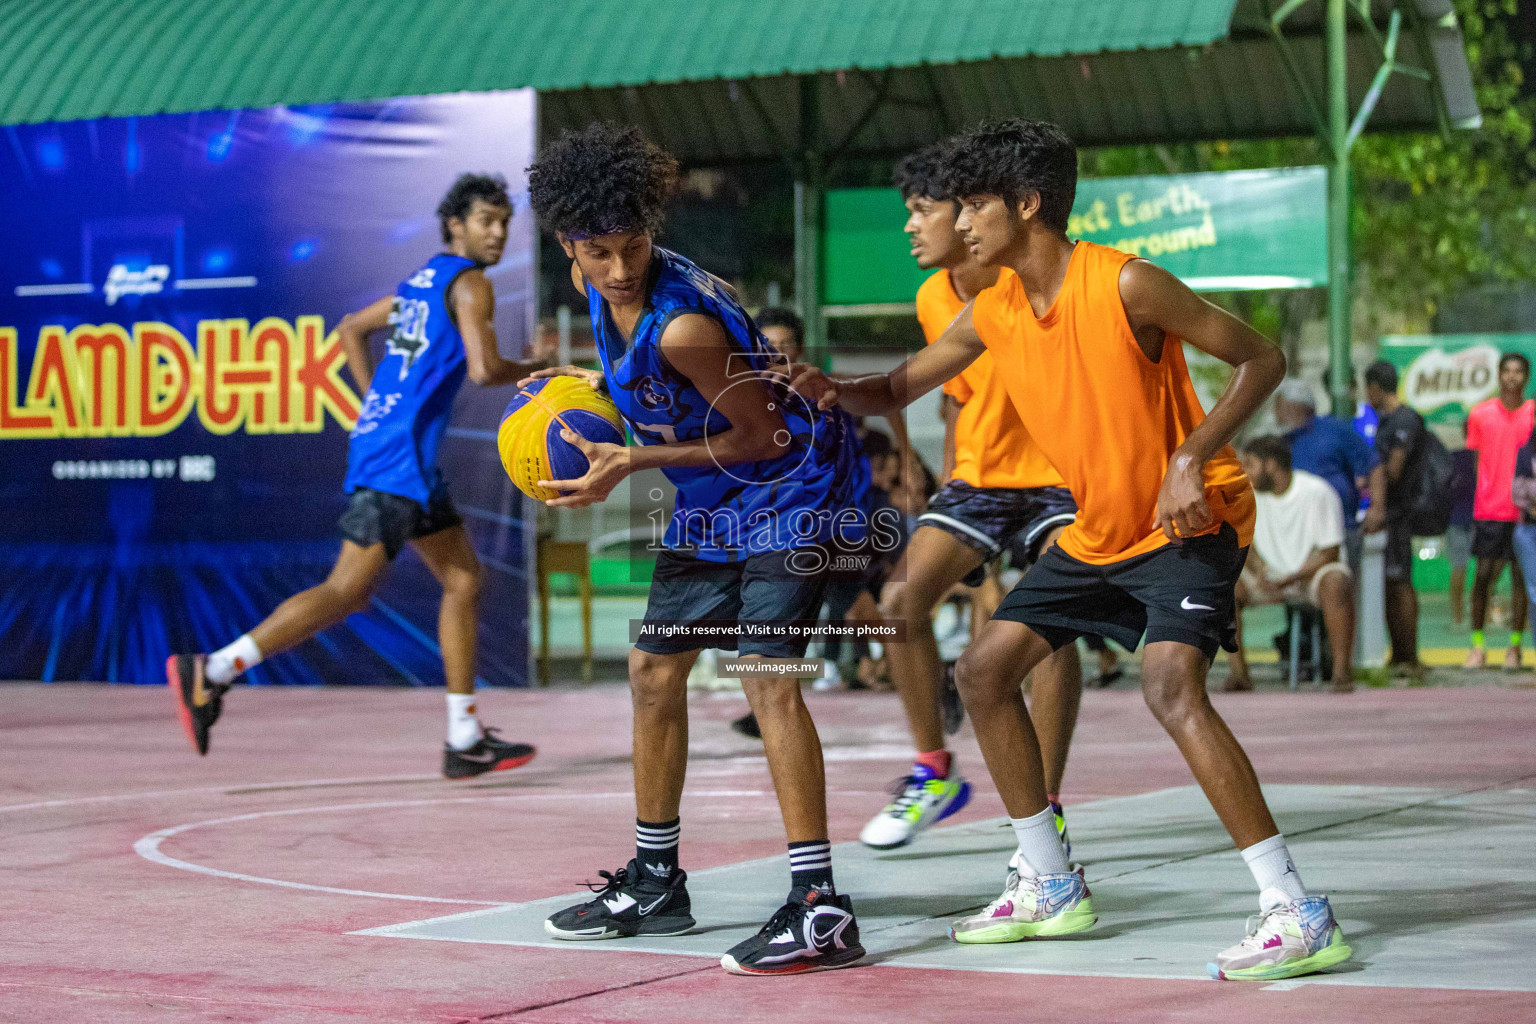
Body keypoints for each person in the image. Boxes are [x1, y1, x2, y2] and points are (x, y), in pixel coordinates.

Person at [792, 118, 1351, 981]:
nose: (962, 221)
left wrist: (1192, 456)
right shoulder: (994, 310)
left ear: (1027, 203)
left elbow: (1262, 358)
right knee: (982, 672)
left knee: (1171, 686)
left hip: (1188, 525)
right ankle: (1048, 881)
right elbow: (902, 384)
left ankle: (1296, 908)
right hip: (1098, 534)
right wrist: (832, 390)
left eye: (976, 204)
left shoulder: (1127, 284)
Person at [525, 124, 871, 976]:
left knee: (770, 684)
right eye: (597, 251)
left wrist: (631, 461)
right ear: (568, 245)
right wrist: (584, 392)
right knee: (651, 673)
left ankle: (820, 906)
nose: (617, 267)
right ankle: (653, 881)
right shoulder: (596, 283)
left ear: (651, 226)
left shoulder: (682, 323)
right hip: (713, 507)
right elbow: (657, 392)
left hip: (788, 493)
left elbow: (759, 435)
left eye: (632, 245)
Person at [167, 174, 541, 778]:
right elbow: (484, 369)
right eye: (486, 220)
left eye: (503, 221)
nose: (498, 232)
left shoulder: (420, 283)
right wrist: (545, 365)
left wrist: (375, 404)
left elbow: (348, 328)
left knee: (464, 579)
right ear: (456, 225)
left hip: (390, 448)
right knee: (347, 591)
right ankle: (211, 670)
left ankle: (464, 735)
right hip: (399, 459)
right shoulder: (470, 283)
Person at [858, 142, 1083, 854]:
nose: (910, 226)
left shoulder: (1035, 273)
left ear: (966, 214)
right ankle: (933, 771)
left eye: (921, 211)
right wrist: (944, 477)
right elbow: (957, 395)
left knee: (1051, 626)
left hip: (1059, 472)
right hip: (980, 479)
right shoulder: (932, 297)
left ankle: (1042, 804)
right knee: (898, 605)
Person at [1229, 436, 1356, 693]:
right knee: (1223, 590)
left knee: (1337, 582)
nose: (1245, 471)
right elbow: (1245, 544)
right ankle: (1240, 675)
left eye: (1250, 464)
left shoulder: (1316, 492)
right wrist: (1259, 572)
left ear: (1271, 465)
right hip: (1269, 576)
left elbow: (1329, 552)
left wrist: (1292, 577)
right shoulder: (1248, 496)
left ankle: (1342, 673)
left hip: (1311, 574)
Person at [1462, 353, 1534, 670]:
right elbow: (1478, 464)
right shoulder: (1480, 415)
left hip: (1525, 513)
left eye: (1519, 371)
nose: (1512, 377)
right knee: (1483, 580)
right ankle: (1478, 646)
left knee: (1522, 582)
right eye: (1507, 371)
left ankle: (1514, 648)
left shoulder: (1533, 414)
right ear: (1498, 375)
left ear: (1527, 378)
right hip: (1489, 511)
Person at [1272, 377, 1385, 570]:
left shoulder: (1334, 430)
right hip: (1296, 532)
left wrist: (1377, 508)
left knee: (1339, 588)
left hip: (1340, 529)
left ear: (1302, 407)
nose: (1277, 415)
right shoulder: (1278, 442)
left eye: (1281, 408)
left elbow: (1373, 465)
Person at [1365, 359, 1427, 676]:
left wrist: (1370, 482)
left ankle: (1410, 656)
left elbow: (1395, 467)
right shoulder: (1389, 419)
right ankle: (1399, 653)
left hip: (1399, 514)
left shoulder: (1403, 420)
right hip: (1393, 513)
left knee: (1400, 582)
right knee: (1391, 583)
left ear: (1375, 388)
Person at [1447, 425, 1477, 625]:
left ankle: (1467, 616)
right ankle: (1458, 616)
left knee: (1480, 571)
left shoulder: (1456, 457)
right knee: (1462, 568)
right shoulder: (1458, 458)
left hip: (1478, 518)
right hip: (1461, 518)